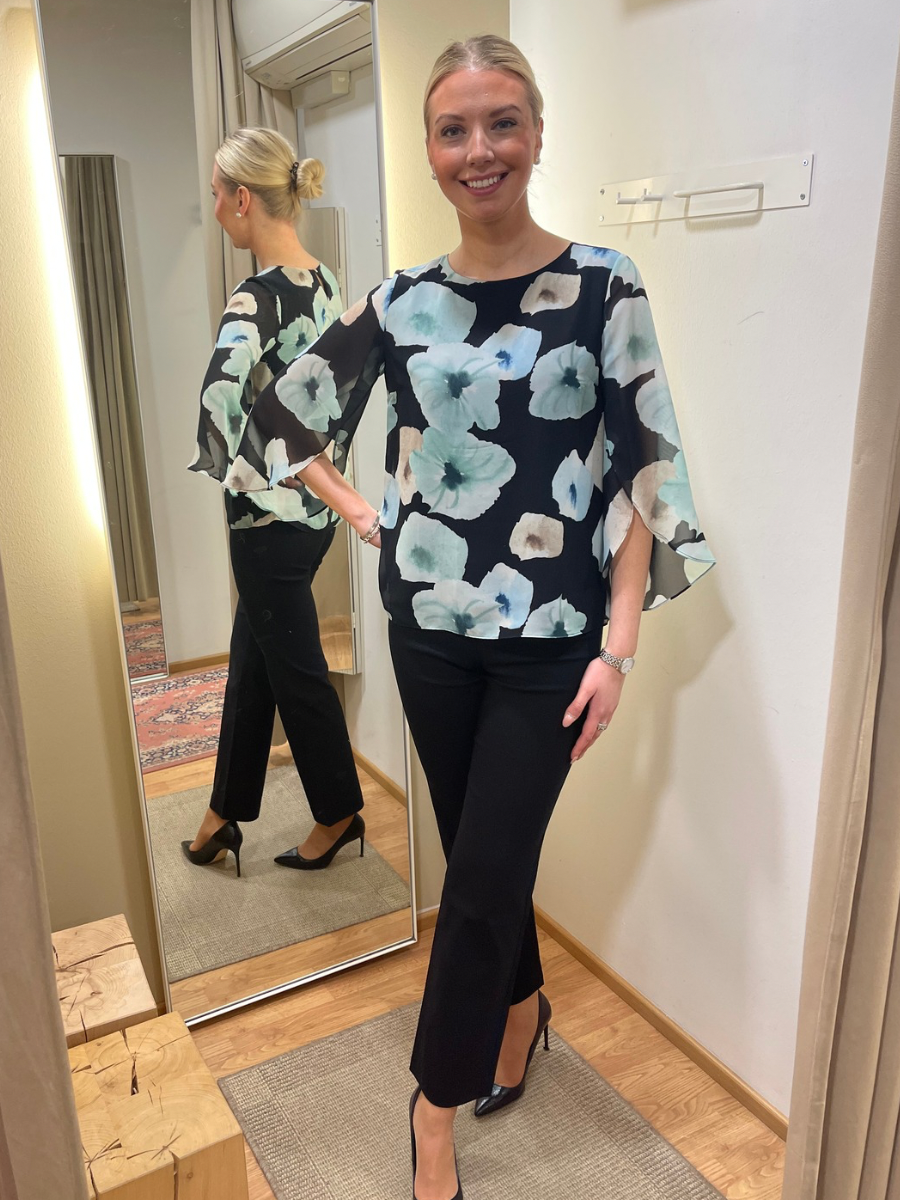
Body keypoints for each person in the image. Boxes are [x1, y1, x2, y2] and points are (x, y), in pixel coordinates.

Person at [223, 39, 715, 1200]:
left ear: (537, 135)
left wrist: (621, 645)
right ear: (433, 151)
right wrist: (368, 516)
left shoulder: (604, 286)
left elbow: (646, 469)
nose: (478, 149)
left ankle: (430, 1110)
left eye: (502, 124)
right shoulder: (402, 300)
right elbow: (282, 421)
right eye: (454, 130)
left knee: (484, 874)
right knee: (484, 858)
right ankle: (523, 1007)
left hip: (554, 642)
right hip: (430, 634)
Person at [184, 126, 365, 879]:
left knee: (295, 670)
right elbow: (336, 400)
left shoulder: (254, 299)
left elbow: (218, 401)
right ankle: (222, 814)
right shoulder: (325, 284)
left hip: (265, 523)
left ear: (242, 199)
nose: (214, 209)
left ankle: (339, 810)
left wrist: (247, 472)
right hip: (314, 518)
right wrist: (316, 473)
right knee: (255, 659)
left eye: (216, 195)